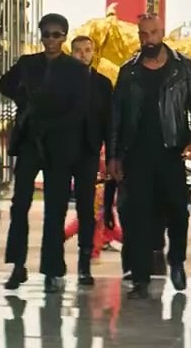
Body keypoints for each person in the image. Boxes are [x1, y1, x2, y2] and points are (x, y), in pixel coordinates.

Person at [109, 13, 191, 298]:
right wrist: (114, 155)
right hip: (136, 154)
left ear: (162, 33)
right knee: (138, 216)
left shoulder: (183, 67)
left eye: (152, 33)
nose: (148, 39)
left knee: (177, 212)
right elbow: (116, 116)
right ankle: (140, 278)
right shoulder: (129, 71)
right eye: (143, 34)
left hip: (171, 151)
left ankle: (176, 262)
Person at [0, 13, 93, 293]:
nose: (50, 40)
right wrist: (25, 101)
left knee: (55, 209)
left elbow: (80, 109)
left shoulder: (76, 70)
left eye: (56, 35)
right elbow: (4, 84)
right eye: (46, 34)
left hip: (59, 145)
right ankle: (17, 265)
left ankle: (53, 270)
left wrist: (53, 120)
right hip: (30, 142)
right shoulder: (28, 64)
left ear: (64, 37)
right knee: (19, 205)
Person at [67, 35, 114, 285]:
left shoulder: (103, 84)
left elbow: (109, 124)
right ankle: (53, 266)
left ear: (93, 52)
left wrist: (111, 156)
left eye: (87, 50)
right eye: (78, 50)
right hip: (62, 153)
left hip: (89, 154)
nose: (83, 54)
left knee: (87, 210)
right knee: (56, 209)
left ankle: (84, 264)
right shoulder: (59, 80)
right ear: (71, 52)